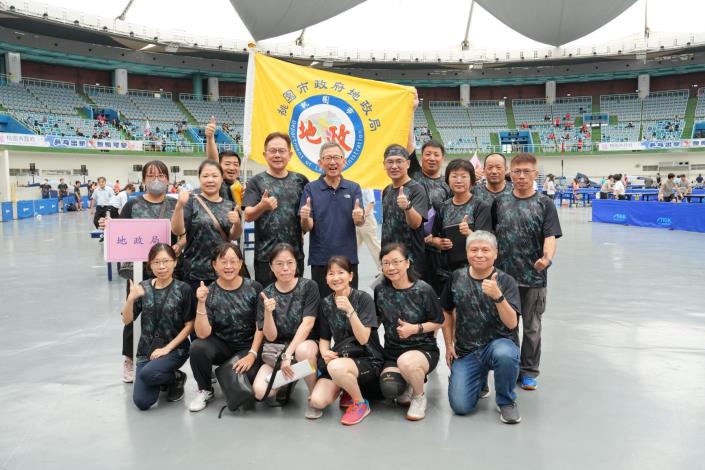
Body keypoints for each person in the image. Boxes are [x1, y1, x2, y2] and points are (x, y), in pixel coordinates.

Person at [492, 153, 562, 391]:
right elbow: (491, 236)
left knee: (532, 328)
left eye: (527, 172)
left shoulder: (545, 204)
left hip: (534, 279)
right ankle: (510, 368)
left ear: (535, 174)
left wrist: (547, 257)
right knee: (507, 327)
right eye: (517, 171)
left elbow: (550, 235)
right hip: (504, 279)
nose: (521, 176)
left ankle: (529, 371)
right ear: (510, 173)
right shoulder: (500, 202)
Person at [442, 231, 522, 424]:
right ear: (467, 252)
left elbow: (512, 323)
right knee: (460, 406)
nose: (479, 254)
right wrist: (448, 345)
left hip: (498, 344)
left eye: (485, 250)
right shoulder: (456, 277)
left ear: (495, 253)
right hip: (467, 350)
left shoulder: (506, 281)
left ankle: (506, 401)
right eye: (474, 249)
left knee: (505, 354)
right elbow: (446, 311)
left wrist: (498, 297)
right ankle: (478, 380)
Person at [113, 161, 183, 383]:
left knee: (167, 314)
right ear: (142, 180)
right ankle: (129, 358)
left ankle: (164, 355)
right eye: (151, 175)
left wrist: (179, 246)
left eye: (161, 175)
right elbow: (119, 233)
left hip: (167, 271)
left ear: (168, 180)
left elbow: (185, 233)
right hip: (139, 271)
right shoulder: (132, 206)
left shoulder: (175, 205)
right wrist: (108, 227)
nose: (156, 179)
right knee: (133, 314)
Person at [308, 256, 383, 425]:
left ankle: (360, 403)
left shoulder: (363, 299)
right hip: (342, 357)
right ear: (326, 278)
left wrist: (350, 311)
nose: (336, 278)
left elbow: (364, 339)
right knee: (317, 401)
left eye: (340, 272)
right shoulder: (326, 303)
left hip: (367, 358)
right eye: (331, 273)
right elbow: (324, 338)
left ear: (350, 276)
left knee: (335, 367)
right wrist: (324, 352)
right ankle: (346, 387)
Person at [188, 244, 264, 412]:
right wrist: (201, 302)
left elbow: (261, 326)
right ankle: (205, 390)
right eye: (223, 262)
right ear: (214, 265)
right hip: (220, 345)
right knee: (197, 347)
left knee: (247, 383)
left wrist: (252, 354)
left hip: (246, 347)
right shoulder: (209, 291)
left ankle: (227, 372)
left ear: (240, 263)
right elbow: (202, 333)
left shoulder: (254, 288)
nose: (229, 266)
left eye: (233, 261)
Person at [120, 244, 194, 410]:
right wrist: (130, 299)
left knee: (148, 374)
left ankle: (174, 377)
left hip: (175, 350)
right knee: (142, 402)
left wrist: (167, 349)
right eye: (156, 262)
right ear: (150, 264)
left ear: (175, 262)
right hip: (147, 350)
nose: (161, 267)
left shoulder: (184, 289)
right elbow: (126, 320)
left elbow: (190, 325)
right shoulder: (143, 287)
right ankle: (169, 377)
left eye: (166, 261)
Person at [374, 243, 444, 421]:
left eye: (396, 262)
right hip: (392, 352)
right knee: (389, 389)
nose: (391, 268)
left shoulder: (423, 289)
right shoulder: (380, 290)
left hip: (423, 350)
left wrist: (415, 329)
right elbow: (376, 319)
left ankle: (419, 396)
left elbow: (439, 322)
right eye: (386, 263)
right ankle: (410, 380)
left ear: (407, 263)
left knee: (407, 362)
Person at [252, 243, 320, 417]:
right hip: (276, 350)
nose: (285, 268)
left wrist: (288, 355)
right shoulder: (265, 294)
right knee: (260, 392)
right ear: (271, 266)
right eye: (279, 264)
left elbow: (307, 324)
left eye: (290, 263)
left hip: (302, 346)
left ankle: (313, 394)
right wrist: (268, 313)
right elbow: (270, 336)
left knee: (303, 350)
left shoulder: (309, 287)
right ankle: (290, 379)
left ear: (296, 264)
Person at [300, 142, 365, 298]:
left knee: (349, 305)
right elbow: (307, 227)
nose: (332, 162)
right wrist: (305, 217)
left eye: (336, 157)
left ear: (344, 161)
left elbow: (359, 221)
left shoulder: (353, 188)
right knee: (323, 307)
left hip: (347, 259)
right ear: (320, 163)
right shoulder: (311, 188)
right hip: (321, 259)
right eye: (327, 158)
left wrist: (359, 218)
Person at [243, 132, 309, 286]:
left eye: (282, 151)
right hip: (266, 257)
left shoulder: (301, 181)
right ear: (265, 155)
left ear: (290, 154)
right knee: (268, 302)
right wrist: (262, 206)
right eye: (273, 151)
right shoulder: (256, 182)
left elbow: (307, 215)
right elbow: (248, 215)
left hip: (295, 256)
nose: (277, 155)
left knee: (295, 301)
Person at [172, 160, 242, 296]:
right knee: (197, 314)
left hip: (224, 271)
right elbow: (177, 230)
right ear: (199, 178)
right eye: (205, 176)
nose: (210, 180)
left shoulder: (230, 205)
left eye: (215, 176)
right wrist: (179, 206)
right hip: (195, 272)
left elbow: (234, 236)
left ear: (222, 179)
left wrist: (238, 222)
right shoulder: (191, 202)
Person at [430, 159, 492, 274]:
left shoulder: (481, 206)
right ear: (447, 180)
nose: (459, 180)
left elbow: (486, 241)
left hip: (473, 271)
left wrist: (469, 233)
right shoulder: (443, 207)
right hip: (448, 272)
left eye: (464, 176)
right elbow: (433, 237)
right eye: (454, 176)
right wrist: (438, 242)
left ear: (472, 181)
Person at [408, 139, 452, 295]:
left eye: (436, 154)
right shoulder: (413, 174)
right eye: (428, 154)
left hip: (437, 253)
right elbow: (408, 146)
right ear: (421, 157)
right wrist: (409, 113)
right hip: (413, 250)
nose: (432, 158)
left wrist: (436, 241)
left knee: (438, 298)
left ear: (443, 158)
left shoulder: (448, 184)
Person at [380, 144, 429, 276]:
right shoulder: (387, 190)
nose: (394, 166)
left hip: (409, 260)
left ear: (408, 164)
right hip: (389, 257)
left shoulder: (416, 189)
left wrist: (407, 207)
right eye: (390, 162)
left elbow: (416, 224)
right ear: (384, 165)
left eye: (399, 161)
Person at [205, 116, 242, 204]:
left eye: (236, 164)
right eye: (227, 164)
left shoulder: (242, 187)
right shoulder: (217, 184)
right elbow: (213, 160)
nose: (232, 168)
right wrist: (210, 138)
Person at [356, 188, 382, 272]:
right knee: (352, 246)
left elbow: (371, 203)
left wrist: (362, 216)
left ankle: (383, 268)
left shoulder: (366, 185)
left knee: (373, 245)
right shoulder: (351, 184)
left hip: (367, 220)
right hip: (355, 220)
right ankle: (347, 268)